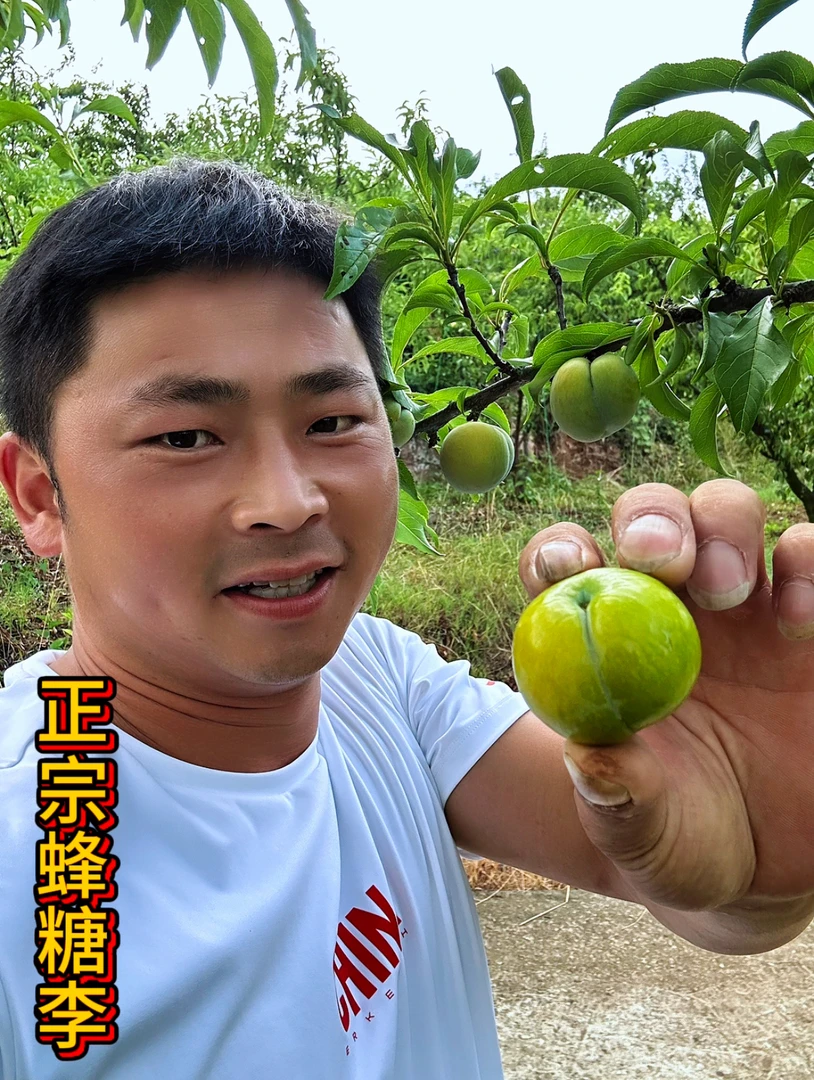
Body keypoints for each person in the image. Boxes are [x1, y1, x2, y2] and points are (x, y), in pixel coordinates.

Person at [0, 158, 812, 1080]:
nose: (288, 501)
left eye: (333, 421)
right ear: (39, 494)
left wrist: (759, 865)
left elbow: (673, 875)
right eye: (184, 437)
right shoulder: (27, 846)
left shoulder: (375, 678)